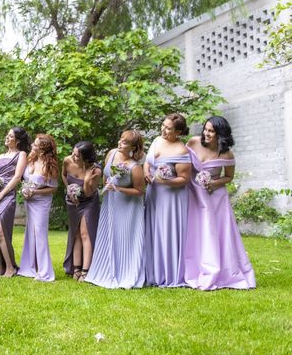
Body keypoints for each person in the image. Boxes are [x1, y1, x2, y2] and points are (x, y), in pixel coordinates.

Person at [183, 116, 256, 290]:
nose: (206, 134)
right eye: (205, 129)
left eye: (211, 131)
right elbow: (182, 163)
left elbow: (229, 177)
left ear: (220, 134)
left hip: (215, 197)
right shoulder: (193, 142)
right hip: (192, 193)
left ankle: (217, 269)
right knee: (195, 231)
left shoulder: (227, 154)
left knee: (215, 232)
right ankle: (193, 268)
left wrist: (213, 183)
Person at [85, 130, 146, 289]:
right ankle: (104, 269)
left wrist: (119, 188)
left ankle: (125, 272)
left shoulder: (135, 167)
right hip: (110, 203)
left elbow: (140, 191)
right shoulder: (111, 154)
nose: (120, 143)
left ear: (132, 147)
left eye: (125, 142)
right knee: (108, 234)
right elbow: (106, 176)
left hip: (128, 208)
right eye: (120, 139)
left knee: (123, 237)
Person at [143, 114, 192, 287]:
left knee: (166, 231)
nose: (163, 130)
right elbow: (148, 162)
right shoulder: (157, 140)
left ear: (178, 132)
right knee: (153, 230)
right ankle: (152, 270)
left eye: (168, 128)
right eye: (163, 126)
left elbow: (185, 179)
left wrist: (167, 181)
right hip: (154, 194)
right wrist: (146, 172)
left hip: (171, 198)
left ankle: (169, 272)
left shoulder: (181, 150)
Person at [0, 127, 29, 277]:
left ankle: (10, 267)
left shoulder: (21, 155)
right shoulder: (0, 156)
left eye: (10, 136)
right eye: (7, 134)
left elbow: (17, 178)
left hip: (7, 196)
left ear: (17, 141)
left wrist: (2, 194)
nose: (7, 137)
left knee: (0, 232)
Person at [18, 134, 59, 282]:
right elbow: (25, 179)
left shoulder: (50, 166)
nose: (32, 147)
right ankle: (29, 267)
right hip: (30, 201)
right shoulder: (32, 159)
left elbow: (53, 189)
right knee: (31, 232)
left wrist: (34, 191)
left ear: (43, 149)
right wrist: (25, 189)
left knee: (40, 233)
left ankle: (45, 272)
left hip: (42, 202)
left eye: (36, 145)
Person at [62, 141, 101, 281]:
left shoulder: (95, 170)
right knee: (76, 233)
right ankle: (76, 269)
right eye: (73, 152)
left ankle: (86, 270)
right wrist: (70, 190)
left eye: (77, 155)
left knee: (85, 234)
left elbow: (89, 192)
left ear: (85, 158)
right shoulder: (67, 161)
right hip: (73, 202)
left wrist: (86, 180)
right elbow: (64, 176)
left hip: (89, 202)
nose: (73, 156)